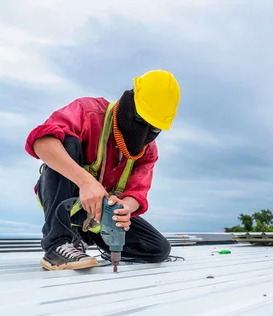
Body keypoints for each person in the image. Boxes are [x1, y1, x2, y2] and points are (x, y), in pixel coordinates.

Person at [25, 70, 180, 270]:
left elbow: (137, 193)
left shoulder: (147, 152)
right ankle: (57, 244)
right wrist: (86, 182)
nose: (143, 133)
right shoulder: (88, 111)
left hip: (98, 215)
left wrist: (125, 208)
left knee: (158, 249)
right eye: (141, 121)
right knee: (66, 141)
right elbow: (41, 142)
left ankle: (80, 239)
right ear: (129, 101)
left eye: (154, 129)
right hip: (62, 200)